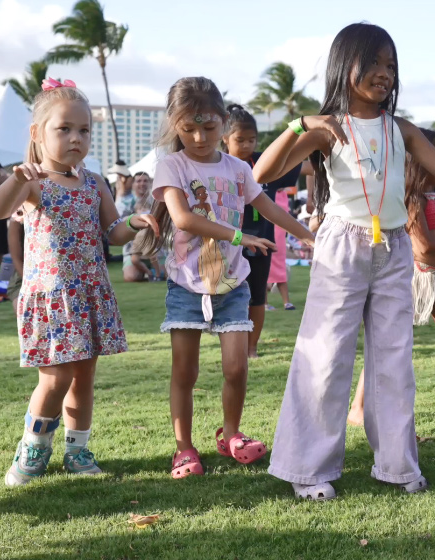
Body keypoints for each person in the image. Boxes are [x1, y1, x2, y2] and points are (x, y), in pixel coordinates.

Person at [254, 24, 435, 500]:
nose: (383, 74)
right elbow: (262, 173)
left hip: (392, 249)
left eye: (390, 65)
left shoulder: (402, 130)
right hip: (342, 247)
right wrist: (301, 124)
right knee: (325, 356)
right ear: (343, 64)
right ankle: (308, 469)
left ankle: (395, 464)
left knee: (394, 359)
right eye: (372, 63)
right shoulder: (328, 129)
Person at [134, 77, 315, 479]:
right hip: (186, 285)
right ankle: (184, 448)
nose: (199, 136)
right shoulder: (172, 166)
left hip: (232, 284)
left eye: (209, 127)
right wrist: (237, 234)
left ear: (223, 121)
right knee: (185, 371)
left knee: (237, 368)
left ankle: (230, 433)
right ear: (175, 125)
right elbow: (182, 218)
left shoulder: (238, 168)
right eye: (188, 128)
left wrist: (307, 234)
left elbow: (266, 206)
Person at [0, 79, 158, 486]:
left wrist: (135, 223)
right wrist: (16, 178)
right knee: (55, 379)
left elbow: (113, 232)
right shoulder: (33, 181)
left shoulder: (94, 183)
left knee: (83, 377)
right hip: (51, 297)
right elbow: (0, 211)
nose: (76, 138)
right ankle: (32, 447)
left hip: (89, 292)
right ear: (37, 133)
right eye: (64, 129)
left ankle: (78, 449)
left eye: (84, 130)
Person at [347, 129, 435, 426]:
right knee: (389, 343)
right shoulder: (412, 198)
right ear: (419, 161)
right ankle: (359, 408)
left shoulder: (434, 195)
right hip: (419, 279)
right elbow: (424, 247)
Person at [222, 104, 306, 357]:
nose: (247, 145)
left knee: (257, 296)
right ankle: (231, 346)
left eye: (252, 139)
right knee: (229, 297)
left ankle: (251, 347)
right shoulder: (216, 166)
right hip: (226, 244)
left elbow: (298, 162)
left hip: (262, 243)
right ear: (224, 139)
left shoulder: (264, 163)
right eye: (240, 140)